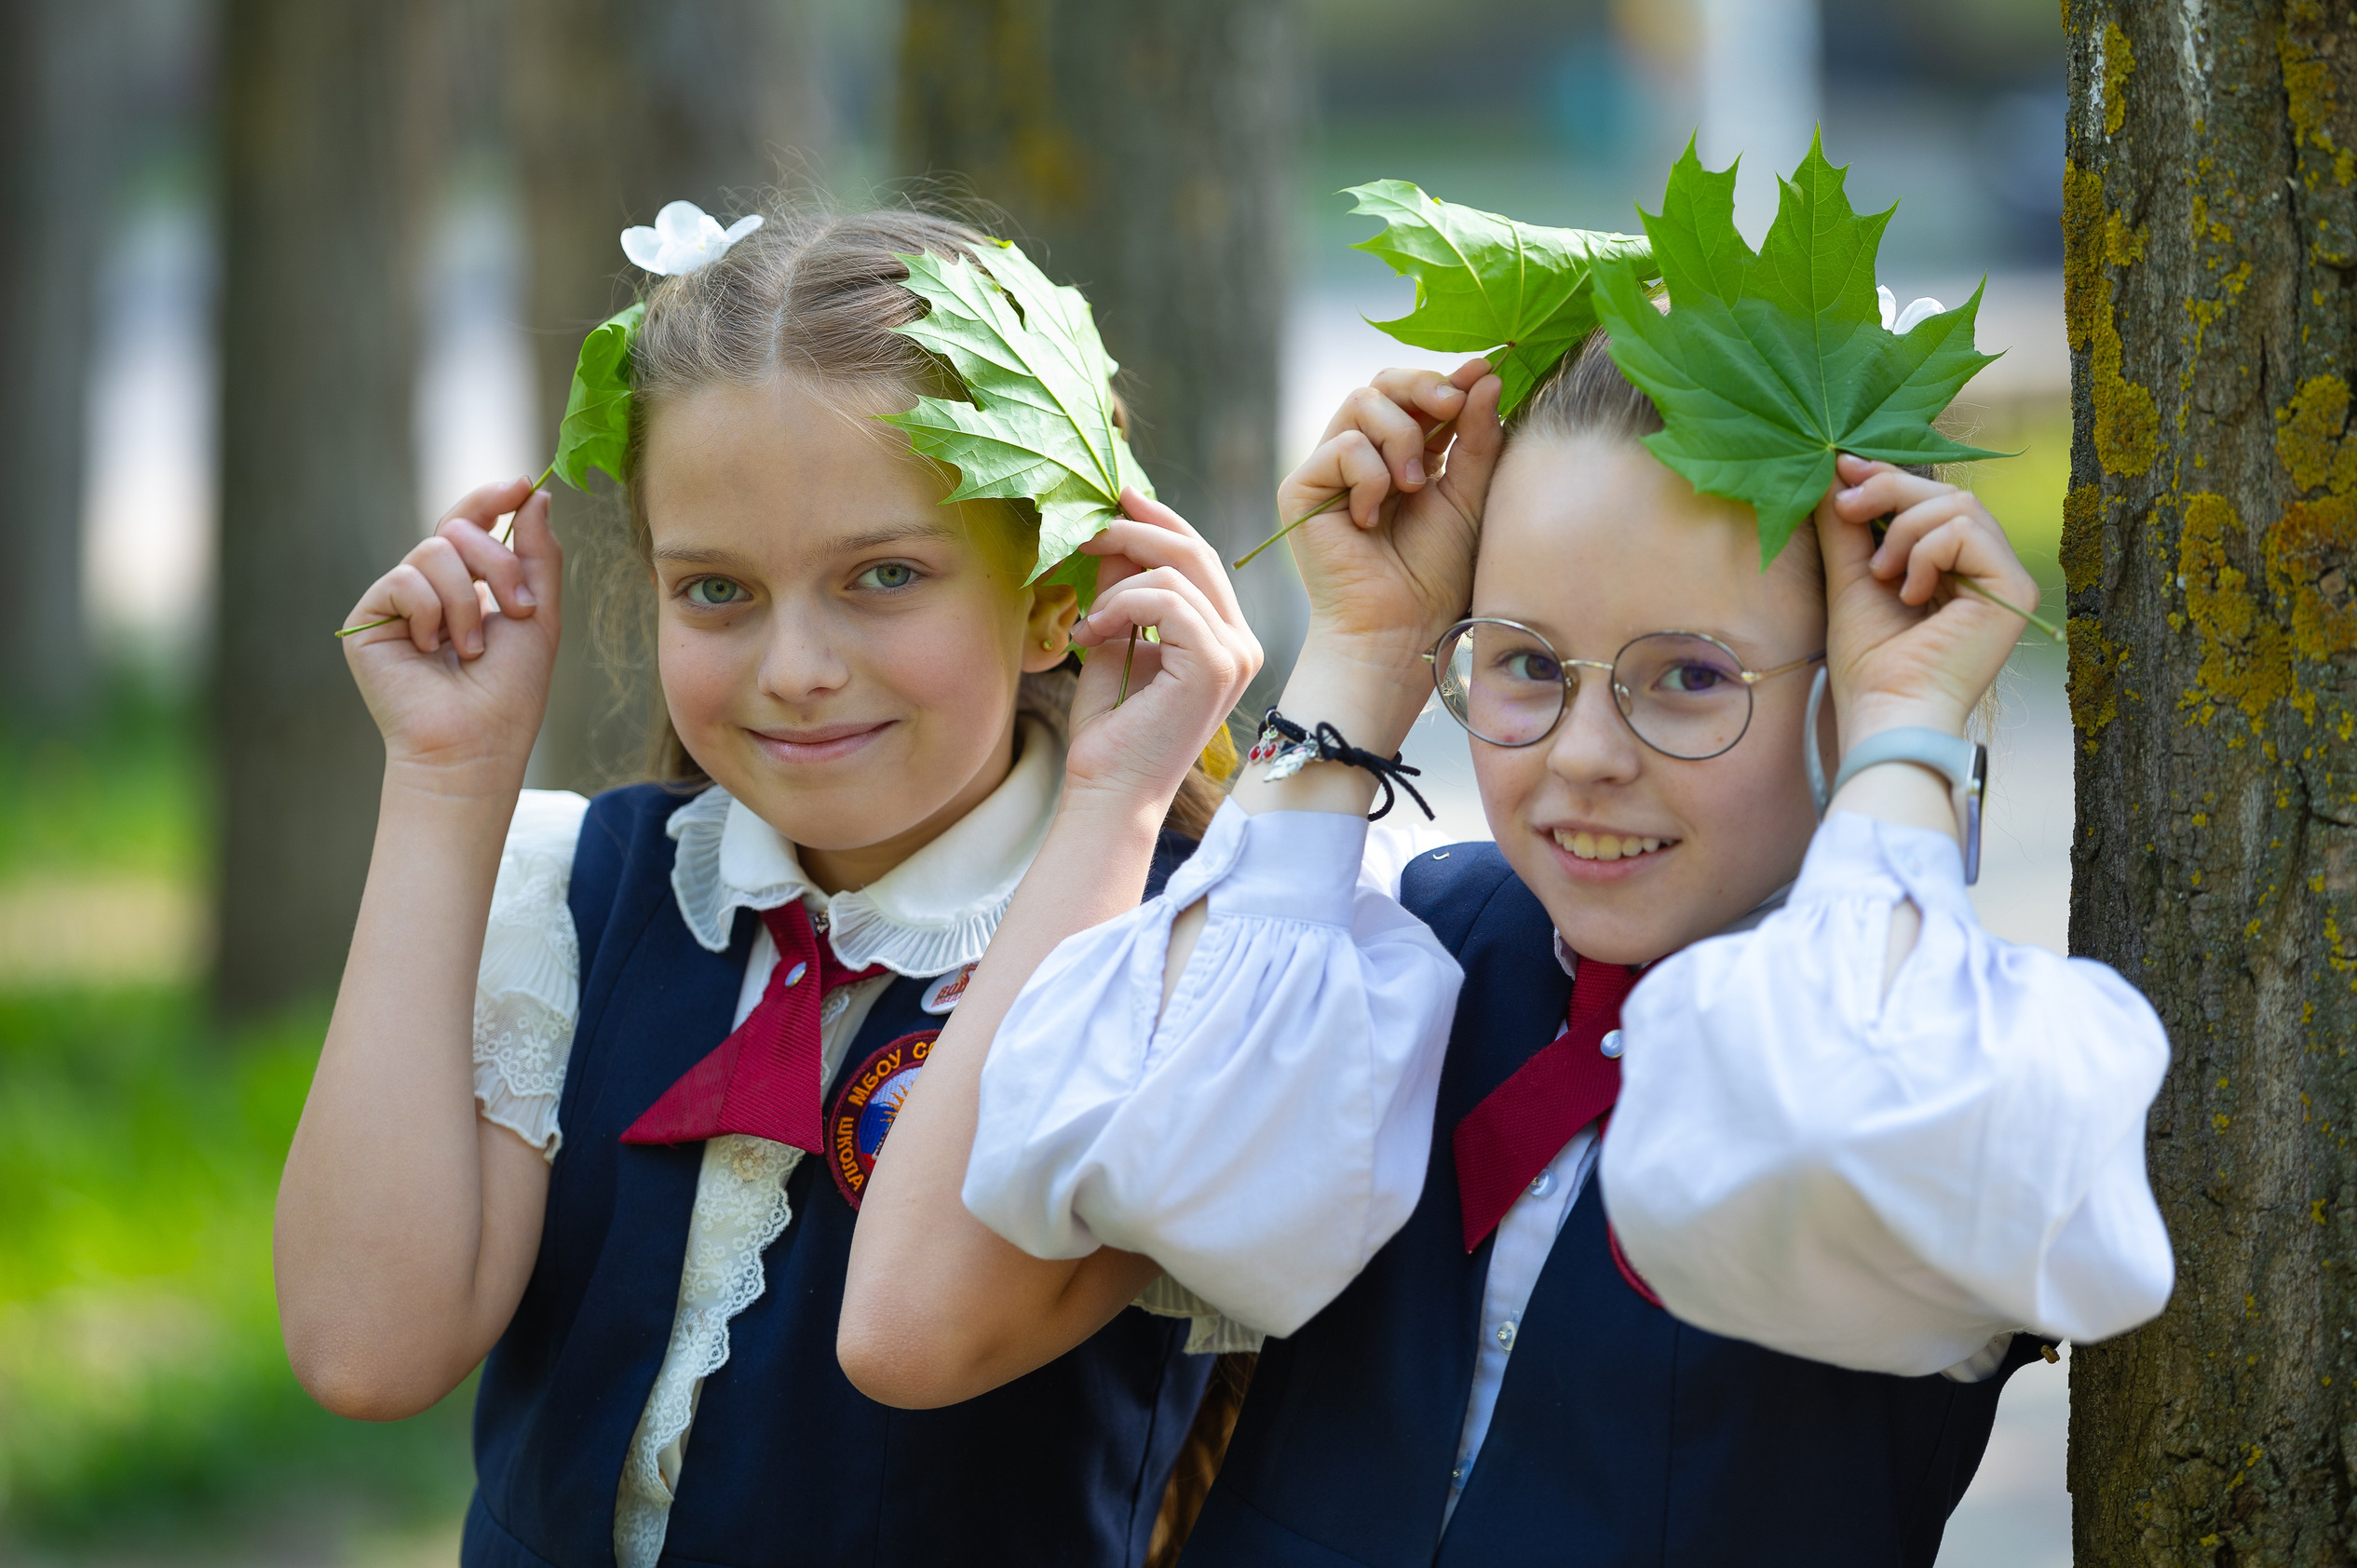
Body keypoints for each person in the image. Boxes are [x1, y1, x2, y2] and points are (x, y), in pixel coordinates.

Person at [842, 331, 2175, 1564]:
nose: (1585, 759)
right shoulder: (1409, 947)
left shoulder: (1950, 1060)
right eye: (1529, 664)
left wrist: (1906, 738)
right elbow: (1127, 1162)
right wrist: (1367, 652)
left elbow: (1825, 1126)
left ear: (1853, 682)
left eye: (1693, 676)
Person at [273, 202, 1263, 1568]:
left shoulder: (1194, 948)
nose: (795, 665)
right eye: (718, 592)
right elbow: (364, 1348)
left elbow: (918, 1334)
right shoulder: (580, 894)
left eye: (883, 576)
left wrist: (1115, 798)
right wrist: (446, 784)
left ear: (1058, 593)